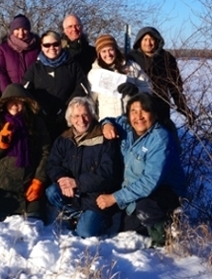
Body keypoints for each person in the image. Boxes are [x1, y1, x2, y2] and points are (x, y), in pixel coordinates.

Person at [97, 92, 186, 247]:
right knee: (124, 228)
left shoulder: (160, 138)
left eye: (144, 110)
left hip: (161, 191)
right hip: (133, 190)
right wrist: (106, 124)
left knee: (145, 209)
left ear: (154, 114)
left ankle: (165, 239)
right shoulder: (125, 125)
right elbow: (110, 119)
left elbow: (149, 182)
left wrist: (114, 198)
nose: (138, 116)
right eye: (133, 111)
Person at [45, 97, 122, 238]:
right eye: (76, 116)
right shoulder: (63, 139)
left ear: (92, 115)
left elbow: (107, 173)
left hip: (97, 199)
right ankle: (77, 215)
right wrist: (62, 178)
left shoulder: (104, 138)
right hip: (74, 196)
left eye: (85, 115)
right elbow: (52, 164)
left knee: (85, 233)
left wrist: (77, 183)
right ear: (70, 118)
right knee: (52, 191)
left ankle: (101, 220)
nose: (81, 120)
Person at [0, 83, 51, 222]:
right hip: (4, 188)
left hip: (30, 184)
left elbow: (45, 152)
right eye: (11, 102)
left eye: (19, 102)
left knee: (35, 225)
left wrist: (39, 180)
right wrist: (0, 145)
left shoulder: (37, 123)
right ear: (5, 104)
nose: (15, 106)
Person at [23, 30, 88, 141]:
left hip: (67, 118)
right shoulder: (35, 68)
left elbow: (82, 87)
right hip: (41, 118)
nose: (51, 48)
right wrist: (38, 108)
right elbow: (25, 90)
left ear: (60, 45)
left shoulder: (72, 65)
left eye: (55, 44)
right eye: (47, 45)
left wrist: (67, 108)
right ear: (42, 47)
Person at [127, 27, 195, 126]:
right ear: (139, 41)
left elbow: (175, 86)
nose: (148, 43)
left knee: (163, 136)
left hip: (161, 105)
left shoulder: (166, 58)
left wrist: (183, 107)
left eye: (151, 39)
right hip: (139, 106)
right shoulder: (131, 58)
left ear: (157, 41)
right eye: (145, 39)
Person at [88, 34, 152, 120]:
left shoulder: (132, 67)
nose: (108, 54)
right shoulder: (94, 74)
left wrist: (136, 90)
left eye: (111, 50)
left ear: (116, 50)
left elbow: (149, 88)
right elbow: (90, 102)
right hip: (108, 123)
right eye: (104, 51)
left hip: (132, 120)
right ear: (99, 54)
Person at [0, 14, 40, 93]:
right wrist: (8, 92)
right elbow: (0, 72)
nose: (21, 33)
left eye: (24, 29)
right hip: (11, 96)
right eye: (17, 29)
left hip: (34, 94)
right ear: (12, 30)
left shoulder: (37, 47)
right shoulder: (3, 48)